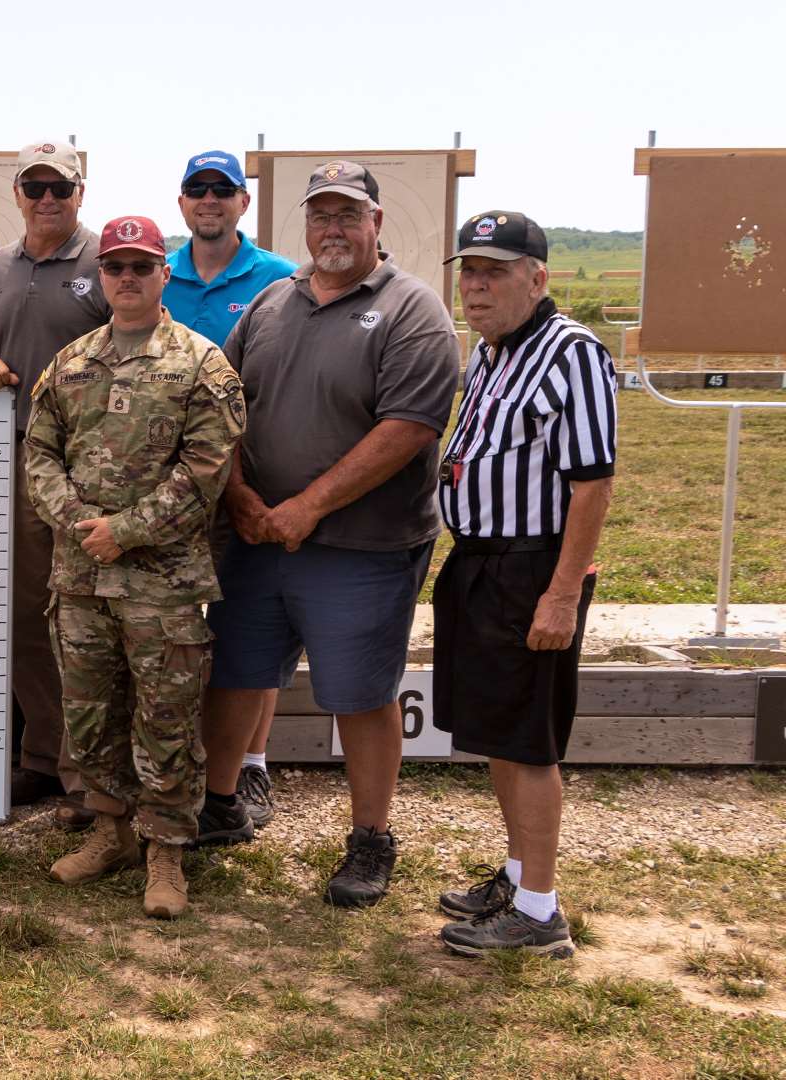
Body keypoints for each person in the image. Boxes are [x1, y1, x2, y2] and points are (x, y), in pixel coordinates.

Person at [203, 161, 458, 907]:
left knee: (360, 693)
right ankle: (219, 805)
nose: (334, 229)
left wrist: (307, 507)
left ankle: (371, 839)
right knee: (234, 674)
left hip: (362, 546)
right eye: (322, 215)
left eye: (349, 215)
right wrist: (245, 499)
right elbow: (224, 405)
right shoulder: (273, 303)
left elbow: (408, 428)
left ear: (377, 223)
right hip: (257, 535)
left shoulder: (414, 310)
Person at [25, 216, 245, 919]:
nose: (127, 278)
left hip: (162, 583)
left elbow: (206, 468)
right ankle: (113, 832)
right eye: (115, 267)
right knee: (90, 715)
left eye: (141, 267)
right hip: (81, 578)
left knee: (166, 720)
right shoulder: (71, 362)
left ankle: (167, 854)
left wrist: (126, 531)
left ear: (163, 275)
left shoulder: (201, 365)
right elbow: (39, 455)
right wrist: (76, 524)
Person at [432, 212, 615, 959]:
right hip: (483, 560)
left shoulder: (571, 353)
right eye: (469, 271)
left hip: (532, 566)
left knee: (530, 740)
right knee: (500, 732)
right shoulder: (491, 352)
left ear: (537, 277)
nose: (476, 286)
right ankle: (517, 874)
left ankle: (540, 913)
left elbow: (592, 482)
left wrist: (563, 591)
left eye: (496, 272)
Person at [0, 138, 109, 818]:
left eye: (61, 187)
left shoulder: (107, 262)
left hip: (94, 463)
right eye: (36, 187)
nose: (48, 198)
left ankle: (92, 772)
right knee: (24, 615)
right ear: (17, 194)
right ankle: (43, 757)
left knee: (85, 617)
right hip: (18, 456)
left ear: (81, 192)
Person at [162, 150, 298, 831]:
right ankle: (189, 765)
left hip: (250, 479)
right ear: (181, 203)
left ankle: (251, 767)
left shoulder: (279, 278)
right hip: (170, 487)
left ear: (243, 202)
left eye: (223, 189)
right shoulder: (158, 275)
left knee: (249, 628)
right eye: (197, 189)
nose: (209, 199)